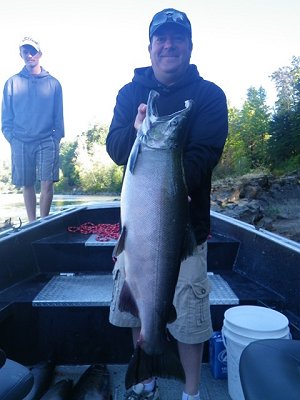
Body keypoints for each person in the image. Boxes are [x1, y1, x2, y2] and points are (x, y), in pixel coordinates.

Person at [106, 8, 228, 400]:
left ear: (190, 47)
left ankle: (191, 392)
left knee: (190, 318)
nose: (169, 45)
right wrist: (136, 130)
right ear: (151, 47)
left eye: (177, 38)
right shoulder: (130, 93)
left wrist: (176, 185)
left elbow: (204, 153)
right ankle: (145, 377)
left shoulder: (209, 95)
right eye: (162, 38)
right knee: (133, 304)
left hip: (187, 230)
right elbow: (116, 149)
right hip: (136, 233)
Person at [1, 36, 64, 222]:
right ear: (20, 54)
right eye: (25, 51)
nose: (29, 55)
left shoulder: (53, 83)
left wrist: (56, 137)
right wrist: (11, 137)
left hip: (47, 140)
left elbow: (58, 116)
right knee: (27, 184)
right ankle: (32, 223)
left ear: (40, 54)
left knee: (47, 183)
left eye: (32, 51)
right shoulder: (12, 82)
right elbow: (6, 117)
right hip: (20, 140)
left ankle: (43, 222)